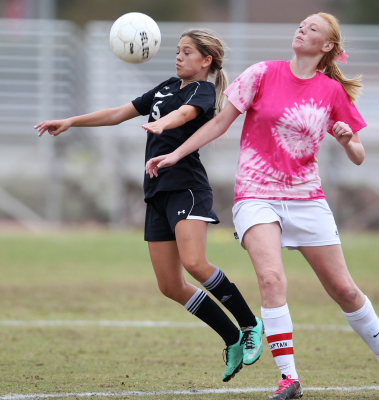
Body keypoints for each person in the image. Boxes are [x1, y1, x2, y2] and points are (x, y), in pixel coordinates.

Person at [145, 13, 379, 400]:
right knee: (272, 280)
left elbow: (359, 155)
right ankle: (288, 378)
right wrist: (176, 153)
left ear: (327, 46)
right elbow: (219, 123)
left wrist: (346, 141)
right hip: (256, 195)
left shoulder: (331, 91)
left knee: (344, 289)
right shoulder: (262, 73)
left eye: (312, 28)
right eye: (301, 25)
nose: (301, 29)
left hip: (307, 198)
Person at [34, 29, 264, 383]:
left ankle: (249, 324)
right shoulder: (166, 86)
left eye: (186, 52)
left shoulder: (202, 91)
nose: (178, 56)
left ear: (206, 61)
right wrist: (70, 122)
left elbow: (186, 115)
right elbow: (116, 113)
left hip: (186, 188)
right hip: (156, 192)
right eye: (177, 50)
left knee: (195, 264)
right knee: (170, 285)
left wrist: (163, 122)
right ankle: (231, 337)